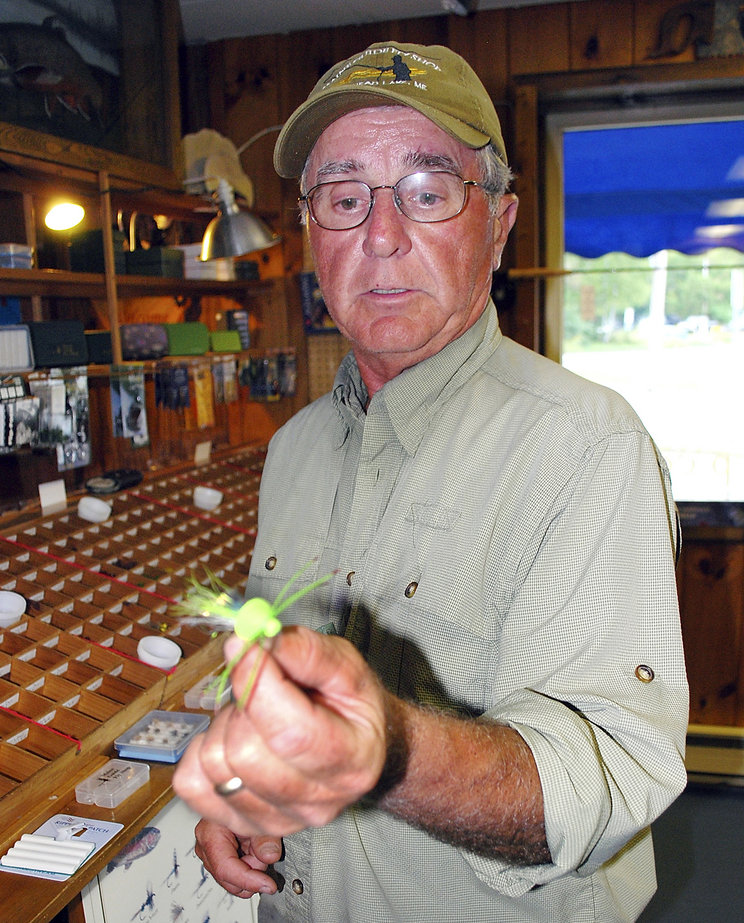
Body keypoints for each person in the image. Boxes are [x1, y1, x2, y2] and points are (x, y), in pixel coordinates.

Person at [173, 41, 688, 922]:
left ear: (498, 223)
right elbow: (280, 671)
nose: (380, 235)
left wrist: (389, 751)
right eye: (344, 198)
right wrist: (243, 782)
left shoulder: (587, 447)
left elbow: (600, 778)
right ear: (311, 234)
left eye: (427, 190)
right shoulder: (294, 447)